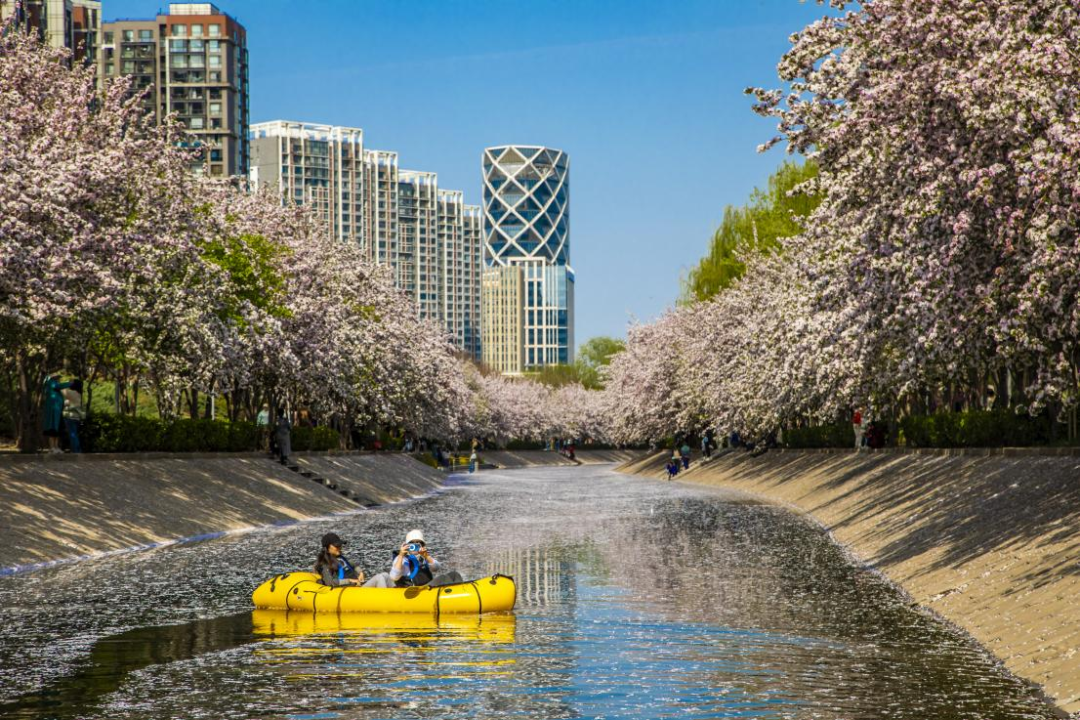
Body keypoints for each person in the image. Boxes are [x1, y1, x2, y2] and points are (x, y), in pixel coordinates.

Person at [363, 529, 463, 588]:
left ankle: (463, 592)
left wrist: (427, 556)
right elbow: (394, 576)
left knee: (454, 574)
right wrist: (401, 555)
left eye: (418, 543)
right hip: (414, 591)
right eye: (412, 543)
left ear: (422, 545)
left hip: (425, 588)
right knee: (443, 578)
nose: (415, 546)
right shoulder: (402, 559)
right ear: (407, 545)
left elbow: (436, 568)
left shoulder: (423, 556)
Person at [42, 373, 71, 453]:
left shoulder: (55, 388)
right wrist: (69, 383)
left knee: (57, 430)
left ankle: (56, 447)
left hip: (57, 412)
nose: (58, 379)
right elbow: (58, 386)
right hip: (53, 412)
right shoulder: (50, 383)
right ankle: (52, 447)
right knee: (52, 430)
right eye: (57, 378)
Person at [61, 379, 85, 453]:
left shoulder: (71, 393)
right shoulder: (80, 394)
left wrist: (67, 383)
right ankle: (77, 450)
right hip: (77, 417)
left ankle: (76, 451)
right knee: (74, 434)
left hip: (70, 417)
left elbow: (61, 389)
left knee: (72, 435)